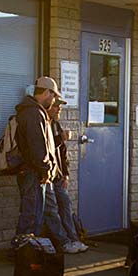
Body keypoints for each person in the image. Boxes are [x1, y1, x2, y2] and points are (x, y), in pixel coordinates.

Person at [13, 76, 60, 240]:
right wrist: (46, 169)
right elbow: (38, 148)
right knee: (31, 217)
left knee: (31, 214)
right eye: (53, 96)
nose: (53, 101)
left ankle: (26, 252)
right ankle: (24, 253)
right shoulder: (34, 113)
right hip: (33, 173)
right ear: (47, 92)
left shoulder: (32, 111)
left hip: (31, 172)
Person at [46, 96, 88, 253]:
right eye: (56, 106)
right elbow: (45, 149)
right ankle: (62, 241)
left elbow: (62, 152)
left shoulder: (55, 124)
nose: (59, 109)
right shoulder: (43, 123)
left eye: (60, 106)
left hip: (57, 174)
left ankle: (74, 238)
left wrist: (66, 174)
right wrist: (60, 139)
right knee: (51, 210)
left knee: (66, 204)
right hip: (46, 175)